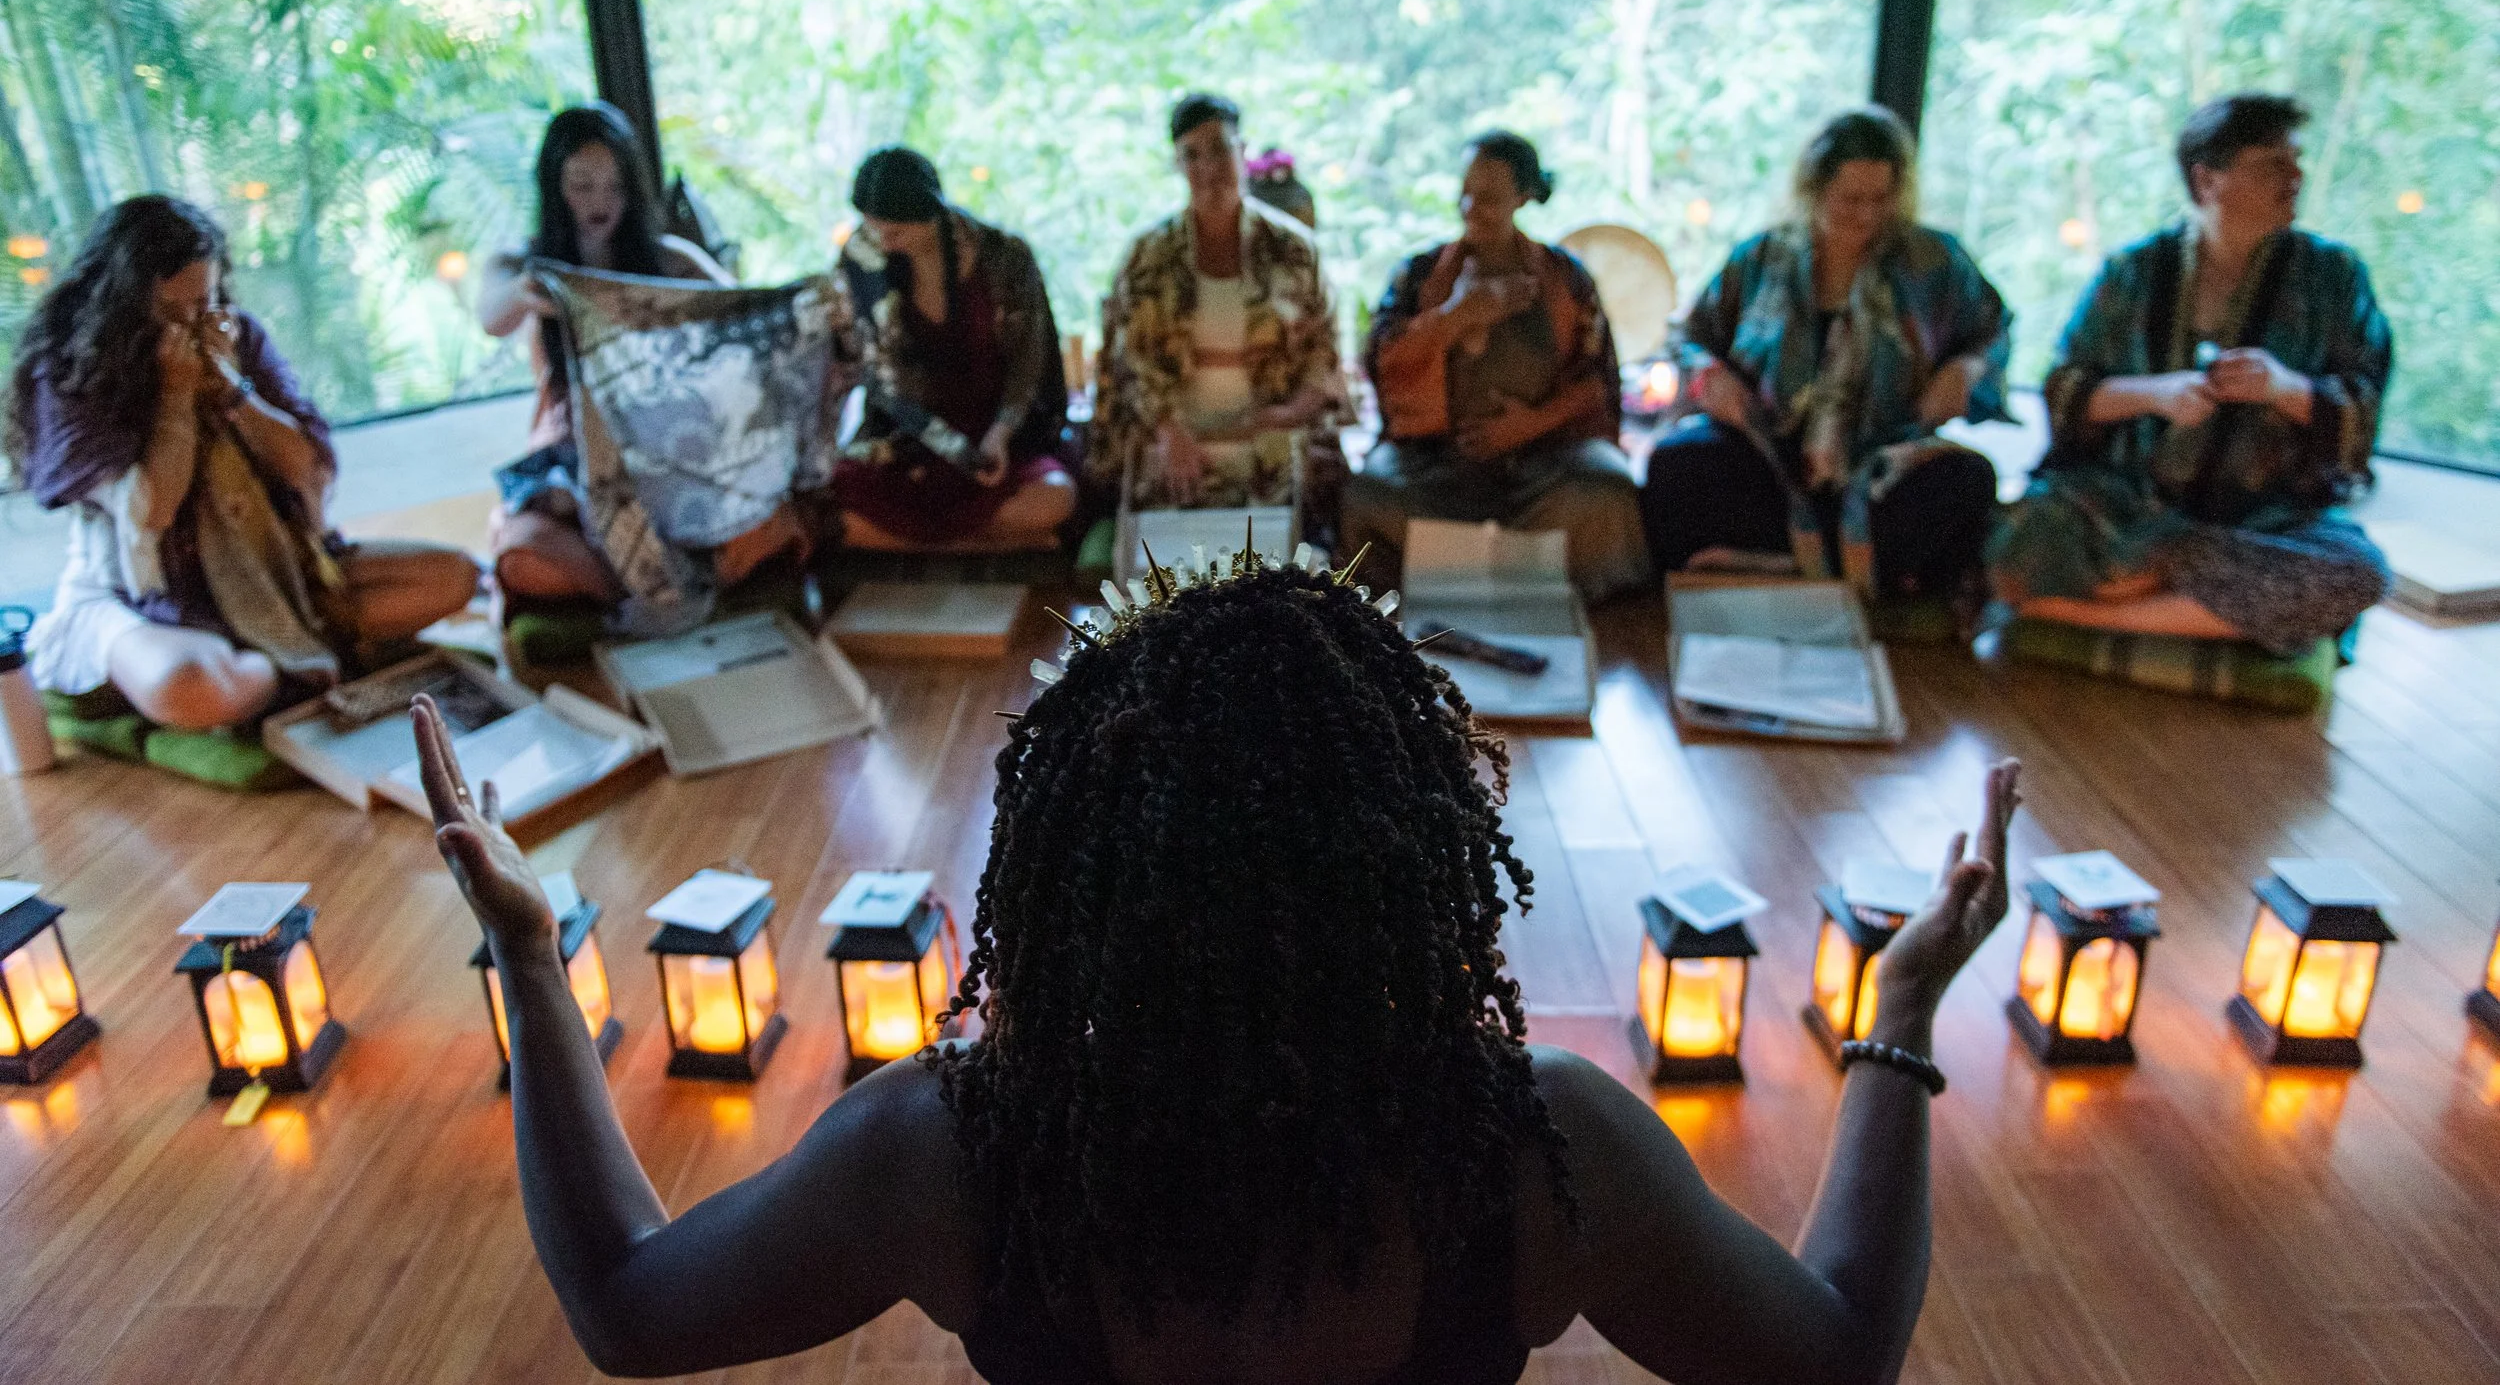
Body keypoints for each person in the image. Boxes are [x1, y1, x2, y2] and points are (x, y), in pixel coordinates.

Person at [421, 552, 2018, 1385]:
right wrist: (1895, 1025)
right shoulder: (1541, 1152)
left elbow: (629, 1309)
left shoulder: (947, 1149)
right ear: (1412, 859)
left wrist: (529, 954)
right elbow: (1836, 1357)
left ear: (1080, 862)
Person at [8, 197, 477, 731]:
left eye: (200, 305)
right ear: (123, 306)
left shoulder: (236, 337)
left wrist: (234, 393)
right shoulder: (69, 370)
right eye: (169, 315)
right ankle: (285, 664)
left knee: (453, 577)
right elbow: (149, 512)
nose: (190, 326)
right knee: (192, 689)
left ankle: (281, 649)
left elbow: (309, 472)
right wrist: (176, 399)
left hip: (279, 568)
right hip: (144, 599)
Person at [1989, 94, 2392, 652]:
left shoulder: (2334, 277)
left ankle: (2080, 612)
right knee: (2016, 530)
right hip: (2126, 508)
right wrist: (2153, 395)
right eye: (2275, 164)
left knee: (2358, 571)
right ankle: (2195, 602)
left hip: (2264, 524)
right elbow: (2065, 394)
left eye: (2297, 162)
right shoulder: (2131, 272)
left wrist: (2284, 388)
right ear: (2208, 181)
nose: (2297, 177)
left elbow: (2363, 407)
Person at [1642, 108, 2010, 602]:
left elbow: (1992, 334)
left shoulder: (1933, 261)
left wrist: (1968, 370)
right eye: (1850, 199)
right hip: (1769, 459)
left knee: (1968, 480)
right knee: (1676, 463)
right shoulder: (1762, 258)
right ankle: (1844, 571)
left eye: (1881, 200)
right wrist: (1710, 376)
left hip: (1882, 464)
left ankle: (1780, 566)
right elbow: (1691, 339)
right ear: (1814, 190)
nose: (1865, 215)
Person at [476, 104, 803, 606]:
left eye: (614, 186)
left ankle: (665, 579)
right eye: (582, 186)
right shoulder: (524, 263)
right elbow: (491, 316)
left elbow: (745, 317)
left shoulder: (668, 257)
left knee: (763, 519)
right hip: (570, 456)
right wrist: (530, 289)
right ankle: (661, 589)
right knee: (522, 557)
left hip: (665, 446)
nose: (600, 201)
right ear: (554, 187)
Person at [1344, 132, 1647, 600]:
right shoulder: (1419, 274)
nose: (1469, 206)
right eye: (1464, 192)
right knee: (1368, 496)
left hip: (1543, 462)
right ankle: (1505, 578)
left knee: (1608, 492)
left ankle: (1483, 579)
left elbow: (1597, 381)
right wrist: (1456, 317)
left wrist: (1528, 425)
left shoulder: (1564, 276)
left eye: (1486, 197)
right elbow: (1382, 363)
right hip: (1435, 464)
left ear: (1522, 197)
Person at [1089, 94, 1342, 511]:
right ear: (1178, 165)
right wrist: (1169, 432)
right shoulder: (1147, 257)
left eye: (1220, 150)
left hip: (1269, 443)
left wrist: (1285, 416)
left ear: (1242, 152)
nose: (1208, 168)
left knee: (1268, 567)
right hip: (1173, 446)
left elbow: (1323, 351)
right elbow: (1126, 360)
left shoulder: (1294, 251)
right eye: (1192, 156)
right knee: (1170, 569)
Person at [831, 148, 1075, 548]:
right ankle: (990, 540)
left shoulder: (1003, 256)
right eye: (875, 229)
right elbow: (877, 375)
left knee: (1055, 496)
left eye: (896, 232)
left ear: (932, 213)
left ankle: (916, 541)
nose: (884, 243)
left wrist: (999, 433)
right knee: (832, 504)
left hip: (993, 437)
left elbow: (1029, 362)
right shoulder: (865, 255)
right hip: (909, 436)